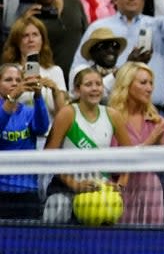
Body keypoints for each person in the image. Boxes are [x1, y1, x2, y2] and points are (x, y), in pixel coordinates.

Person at [42, 67, 132, 223]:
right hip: (64, 192)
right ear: (77, 90)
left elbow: (130, 156)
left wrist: (122, 184)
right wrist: (75, 185)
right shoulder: (67, 114)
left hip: (100, 194)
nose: (95, 88)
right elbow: (48, 157)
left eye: (98, 84)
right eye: (88, 84)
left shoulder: (113, 115)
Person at [106, 62, 164, 225]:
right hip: (119, 191)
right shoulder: (111, 118)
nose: (149, 88)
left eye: (151, 83)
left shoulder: (156, 121)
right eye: (143, 83)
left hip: (150, 191)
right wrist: (150, 141)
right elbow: (114, 165)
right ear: (127, 84)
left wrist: (162, 143)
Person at [0, 63, 52, 220]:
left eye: (18, 80)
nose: (14, 83)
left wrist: (38, 95)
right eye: (8, 80)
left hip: (28, 190)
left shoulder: (28, 112)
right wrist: (12, 97)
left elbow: (42, 128)